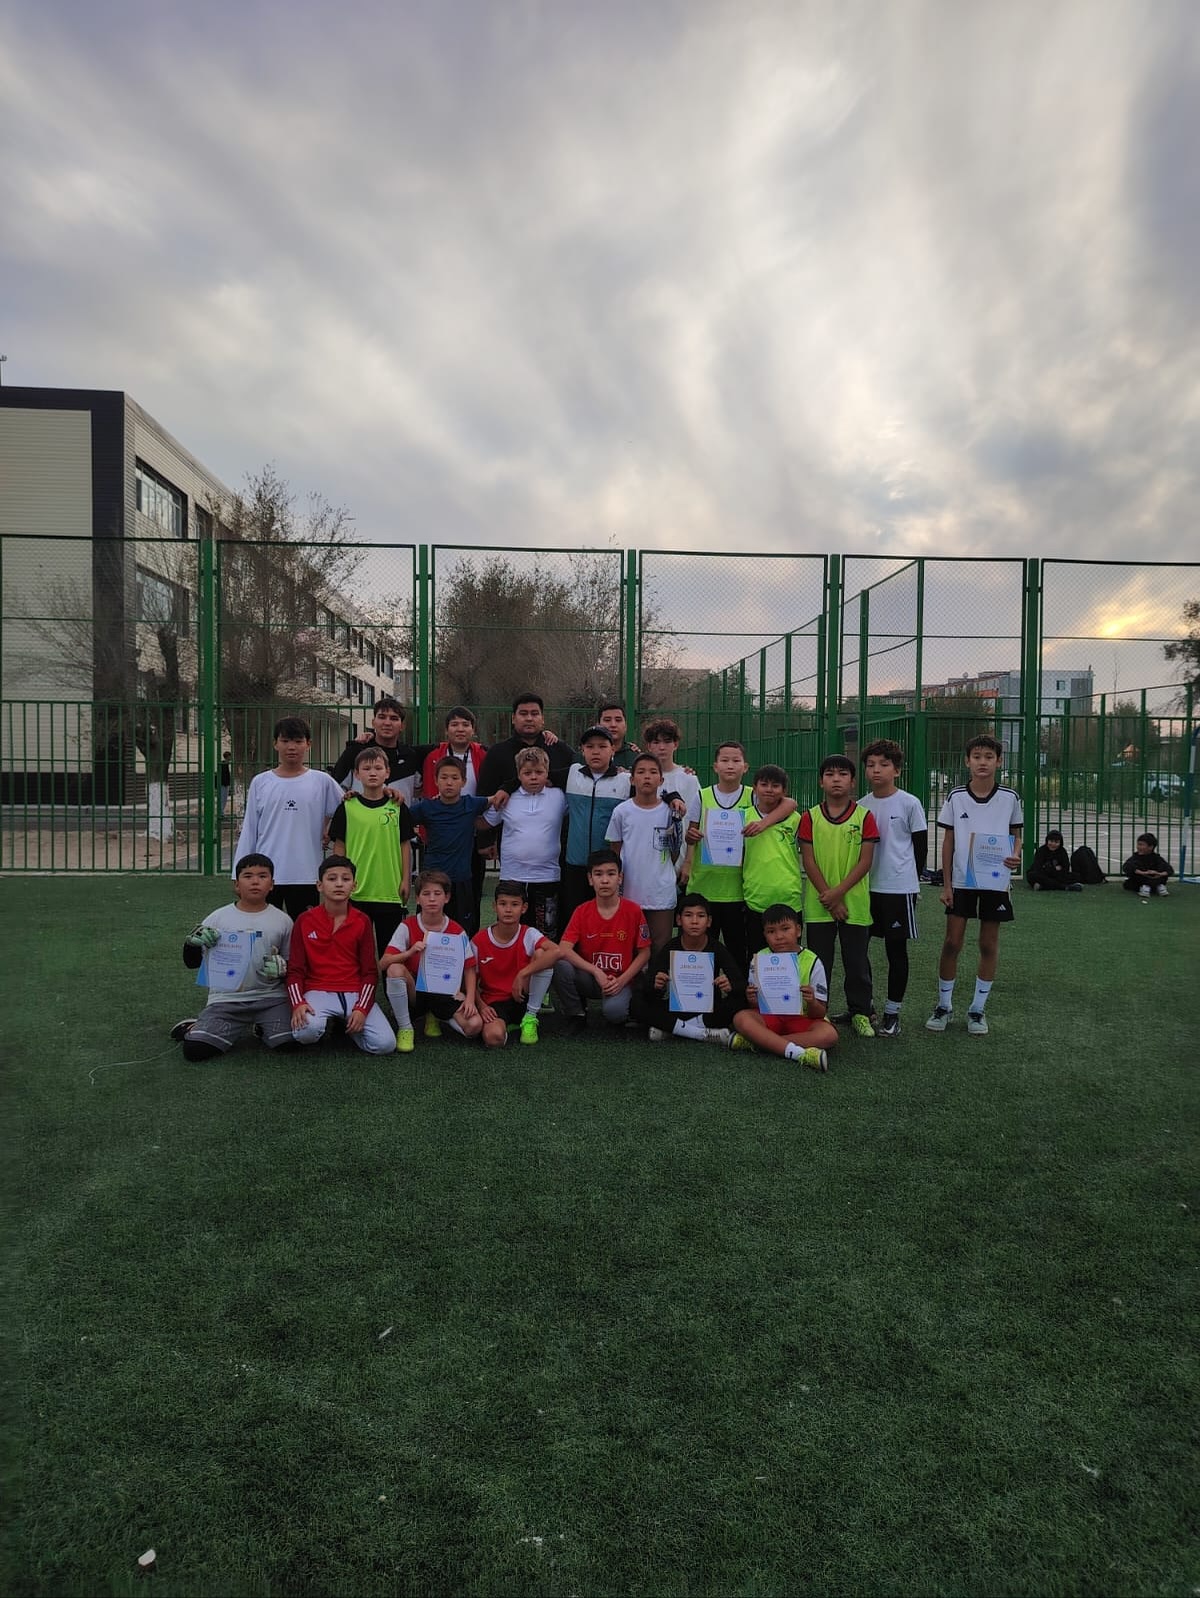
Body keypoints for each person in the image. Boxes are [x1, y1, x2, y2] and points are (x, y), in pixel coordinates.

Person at [926, 734, 1023, 1036]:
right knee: (952, 942)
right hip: (962, 881)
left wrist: (1015, 855)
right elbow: (948, 842)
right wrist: (947, 885)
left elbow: (1017, 835)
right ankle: (944, 1006)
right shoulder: (956, 796)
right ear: (967, 761)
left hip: (995, 882)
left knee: (987, 944)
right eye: (977, 757)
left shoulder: (1009, 797)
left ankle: (977, 1010)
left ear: (999, 761)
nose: (983, 762)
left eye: (989, 757)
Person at [169, 853, 296, 1061]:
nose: (255, 881)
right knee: (195, 1051)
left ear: (272, 884)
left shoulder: (283, 920)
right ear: (237, 885)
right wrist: (191, 944)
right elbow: (191, 963)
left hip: (271, 998)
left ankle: (263, 1027)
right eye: (248, 876)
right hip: (227, 1000)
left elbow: (291, 963)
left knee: (290, 1043)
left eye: (262, 876)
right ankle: (194, 1027)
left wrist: (283, 969)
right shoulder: (218, 918)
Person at [685, 740, 796, 971]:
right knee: (703, 950)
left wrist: (763, 824)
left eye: (736, 760)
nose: (730, 765)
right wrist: (688, 855)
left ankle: (737, 990)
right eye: (724, 760)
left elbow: (790, 803)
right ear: (715, 766)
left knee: (737, 950)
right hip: (704, 884)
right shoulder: (702, 796)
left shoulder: (753, 796)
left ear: (745, 767)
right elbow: (691, 834)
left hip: (737, 888)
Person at [233, 716, 345, 920]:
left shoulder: (322, 781)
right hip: (267, 874)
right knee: (266, 929)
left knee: (305, 929)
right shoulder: (261, 782)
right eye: (285, 741)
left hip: (307, 873)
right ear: (275, 744)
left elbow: (347, 809)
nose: (291, 747)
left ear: (308, 744)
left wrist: (328, 827)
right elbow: (250, 828)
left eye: (298, 741)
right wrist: (237, 873)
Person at [799, 756, 879, 1037]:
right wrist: (829, 896)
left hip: (854, 904)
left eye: (843, 774)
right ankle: (819, 1014)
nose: (836, 779)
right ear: (820, 781)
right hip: (819, 905)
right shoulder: (810, 817)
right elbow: (808, 861)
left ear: (852, 781)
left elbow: (865, 861)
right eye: (830, 774)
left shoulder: (864, 816)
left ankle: (861, 1012)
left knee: (856, 963)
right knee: (819, 964)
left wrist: (838, 894)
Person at [286, 856, 397, 1055]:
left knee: (385, 1044)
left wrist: (361, 1009)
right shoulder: (304, 920)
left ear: (354, 886)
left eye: (345, 879)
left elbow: (369, 972)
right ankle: (324, 1023)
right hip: (317, 989)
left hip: (353, 991)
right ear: (319, 885)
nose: (339, 884)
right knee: (306, 1032)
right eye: (332, 879)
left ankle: (350, 1027)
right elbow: (295, 969)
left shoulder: (362, 921)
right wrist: (298, 1003)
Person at [860, 739, 929, 1038]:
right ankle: (863, 1007)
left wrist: (912, 885)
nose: (876, 770)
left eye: (884, 765)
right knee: (857, 950)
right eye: (871, 765)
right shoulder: (861, 806)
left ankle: (892, 1013)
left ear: (897, 770)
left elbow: (920, 848)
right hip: (865, 889)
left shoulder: (910, 803)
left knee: (895, 951)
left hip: (898, 890)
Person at [327, 745, 416, 955]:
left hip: (389, 891)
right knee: (355, 950)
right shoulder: (348, 806)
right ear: (357, 774)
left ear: (388, 772)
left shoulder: (397, 806)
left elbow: (405, 845)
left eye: (378, 768)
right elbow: (339, 846)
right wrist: (340, 880)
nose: (373, 773)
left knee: (390, 952)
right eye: (366, 769)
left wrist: (405, 880)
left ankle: (388, 977)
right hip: (356, 891)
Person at [380, 869, 482, 1051]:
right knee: (394, 969)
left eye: (437, 893)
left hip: (445, 992)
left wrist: (469, 999)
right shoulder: (407, 926)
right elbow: (383, 963)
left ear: (447, 898)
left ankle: (437, 1015)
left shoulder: (457, 931)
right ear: (418, 899)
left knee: (474, 1025)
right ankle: (405, 1028)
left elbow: (469, 968)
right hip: (415, 992)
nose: (432, 899)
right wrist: (409, 952)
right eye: (426, 894)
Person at [552, 848, 651, 1035]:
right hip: (590, 978)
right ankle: (576, 1014)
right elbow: (564, 948)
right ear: (590, 879)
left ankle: (625, 1007)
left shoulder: (633, 911)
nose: (605, 880)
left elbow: (645, 952)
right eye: (598, 874)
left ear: (620, 878)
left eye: (611, 874)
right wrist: (595, 971)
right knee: (560, 964)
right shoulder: (582, 911)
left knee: (614, 1014)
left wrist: (622, 980)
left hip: (620, 980)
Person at [732, 903, 838, 1072]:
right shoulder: (760, 959)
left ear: (798, 930)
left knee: (829, 1034)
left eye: (785, 929)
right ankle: (797, 1052)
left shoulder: (812, 961)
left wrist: (812, 1002)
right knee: (741, 1018)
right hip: (770, 1017)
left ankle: (760, 1042)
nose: (779, 936)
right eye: (771, 931)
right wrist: (752, 999)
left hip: (802, 1018)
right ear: (764, 935)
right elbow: (755, 1006)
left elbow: (819, 1012)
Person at [632, 891, 746, 1047]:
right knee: (637, 1003)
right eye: (688, 915)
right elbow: (649, 985)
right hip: (677, 1008)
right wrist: (657, 985)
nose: (694, 921)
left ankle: (674, 1029)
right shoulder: (671, 947)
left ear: (709, 921)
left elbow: (740, 983)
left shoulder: (717, 948)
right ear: (679, 920)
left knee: (741, 1001)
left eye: (701, 916)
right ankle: (700, 1033)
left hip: (709, 1009)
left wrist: (730, 985)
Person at [406, 757, 503, 935]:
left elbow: (498, 798)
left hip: (461, 880)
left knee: (462, 931)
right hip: (433, 880)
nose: (449, 782)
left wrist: (507, 791)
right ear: (436, 781)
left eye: (455, 778)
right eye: (444, 777)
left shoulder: (471, 804)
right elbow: (400, 818)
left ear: (463, 781)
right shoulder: (426, 807)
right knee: (428, 931)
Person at [481, 746, 566, 938]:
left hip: (547, 876)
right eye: (527, 773)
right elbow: (484, 822)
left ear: (547, 772)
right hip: (513, 876)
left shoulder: (560, 796)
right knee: (510, 930)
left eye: (539, 772)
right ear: (518, 774)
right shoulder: (506, 798)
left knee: (546, 933)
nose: (533, 777)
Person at [605, 752, 683, 954]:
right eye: (640, 772)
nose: (647, 777)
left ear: (661, 780)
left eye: (653, 772)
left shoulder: (670, 811)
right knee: (630, 946)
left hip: (661, 892)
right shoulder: (622, 811)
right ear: (632, 779)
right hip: (630, 892)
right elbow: (615, 850)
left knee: (660, 946)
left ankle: (657, 976)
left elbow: (674, 851)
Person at [472, 880, 561, 1048]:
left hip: (524, 996)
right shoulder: (479, 940)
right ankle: (508, 1026)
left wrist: (523, 973)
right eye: (503, 904)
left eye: (514, 904)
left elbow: (556, 951)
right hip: (495, 1002)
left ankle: (530, 1017)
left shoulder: (529, 933)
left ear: (524, 908)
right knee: (493, 1038)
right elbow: (468, 980)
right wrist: (481, 1006)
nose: (508, 910)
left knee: (542, 953)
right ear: (494, 906)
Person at [420, 706, 490, 920]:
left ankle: (468, 936)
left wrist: (489, 836)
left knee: (471, 894)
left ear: (473, 730)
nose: (460, 729)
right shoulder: (432, 755)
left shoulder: (484, 754)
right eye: (454, 724)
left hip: (471, 836)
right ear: (446, 730)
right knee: (434, 892)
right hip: (439, 836)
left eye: (465, 724)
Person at [560, 725, 631, 924]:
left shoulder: (626, 780)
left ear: (613, 749)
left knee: (606, 919)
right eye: (590, 746)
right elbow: (538, 774)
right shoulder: (572, 773)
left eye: (602, 746)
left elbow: (653, 788)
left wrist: (673, 796)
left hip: (606, 868)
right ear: (582, 750)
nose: (596, 751)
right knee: (574, 919)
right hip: (575, 864)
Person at [742, 764, 803, 958]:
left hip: (788, 896)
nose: (769, 789)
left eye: (775, 786)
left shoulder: (795, 819)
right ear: (754, 788)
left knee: (790, 957)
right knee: (756, 957)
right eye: (764, 784)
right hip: (756, 897)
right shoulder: (744, 816)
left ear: (784, 791)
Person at [330, 696, 433, 805]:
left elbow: (418, 795)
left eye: (394, 718)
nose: (387, 723)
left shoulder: (411, 756)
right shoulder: (355, 752)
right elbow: (336, 791)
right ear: (373, 722)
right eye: (382, 717)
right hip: (359, 816)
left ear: (402, 726)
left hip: (400, 816)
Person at [477, 692, 577, 796]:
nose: (529, 718)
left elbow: (580, 774)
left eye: (534, 714)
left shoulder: (560, 750)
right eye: (523, 714)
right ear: (513, 718)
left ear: (542, 719)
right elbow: (485, 795)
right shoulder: (497, 753)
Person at [642, 717, 702, 853]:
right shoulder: (640, 779)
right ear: (649, 746)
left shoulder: (689, 779)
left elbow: (695, 821)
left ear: (675, 744)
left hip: (680, 853)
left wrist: (688, 859)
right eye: (656, 742)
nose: (662, 747)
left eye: (667, 741)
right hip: (647, 851)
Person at [597, 701, 640, 771]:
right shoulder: (585, 757)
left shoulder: (636, 758)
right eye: (607, 720)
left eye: (618, 720)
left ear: (626, 726)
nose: (613, 725)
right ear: (598, 725)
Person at [219, 751, 232, 818]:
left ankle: (221, 812)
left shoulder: (225, 764)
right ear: (228, 757)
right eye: (230, 756)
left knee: (224, 798)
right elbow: (224, 775)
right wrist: (226, 783)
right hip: (224, 784)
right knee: (223, 798)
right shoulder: (224, 764)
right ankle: (221, 812)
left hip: (224, 783)